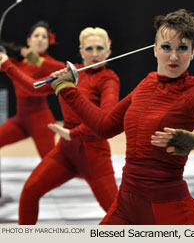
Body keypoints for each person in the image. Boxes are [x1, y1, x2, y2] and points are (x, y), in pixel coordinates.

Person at [50, 9, 194, 225]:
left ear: (193, 52)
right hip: (126, 204)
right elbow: (105, 126)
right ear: (155, 49)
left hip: (170, 209)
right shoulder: (145, 85)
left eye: (182, 48)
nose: (173, 56)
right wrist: (66, 88)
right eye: (166, 47)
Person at [1, 27, 120, 224]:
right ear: (81, 51)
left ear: (108, 51)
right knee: (29, 193)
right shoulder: (70, 73)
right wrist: (7, 65)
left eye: (100, 48)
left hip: (94, 157)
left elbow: (105, 122)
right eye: (89, 49)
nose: (95, 53)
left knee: (117, 214)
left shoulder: (108, 79)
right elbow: (33, 87)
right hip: (65, 153)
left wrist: (74, 133)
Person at [0, 21, 65, 159]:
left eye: (44, 36)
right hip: (21, 120)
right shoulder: (17, 61)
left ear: (48, 42)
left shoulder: (49, 63)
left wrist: (35, 59)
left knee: (51, 164)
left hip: (41, 121)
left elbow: (61, 69)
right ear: (29, 40)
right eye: (37, 35)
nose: (40, 39)